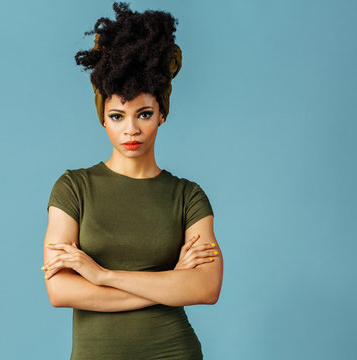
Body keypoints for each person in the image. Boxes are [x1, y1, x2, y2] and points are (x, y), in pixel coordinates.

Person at [41, 2, 223, 359]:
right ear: (102, 119)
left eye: (144, 113)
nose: (131, 129)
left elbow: (205, 288)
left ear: (161, 114)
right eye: (116, 115)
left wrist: (99, 275)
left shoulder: (188, 197)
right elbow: (60, 291)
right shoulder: (73, 189)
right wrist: (170, 282)